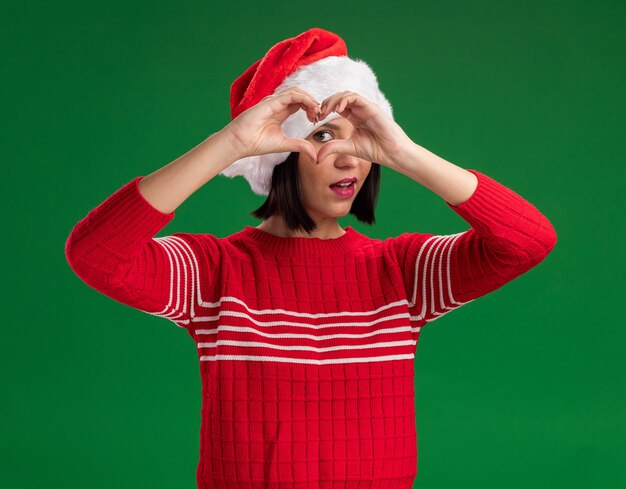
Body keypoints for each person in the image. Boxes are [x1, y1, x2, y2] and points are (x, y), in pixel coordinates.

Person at [65, 27, 557, 489]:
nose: (348, 158)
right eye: (322, 135)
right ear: (276, 154)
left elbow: (528, 240)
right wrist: (232, 144)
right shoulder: (214, 271)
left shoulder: (402, 271)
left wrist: (404, 152)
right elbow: (96, 254)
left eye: (358, 137)